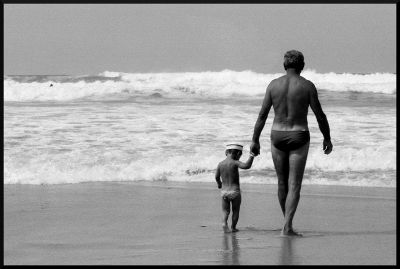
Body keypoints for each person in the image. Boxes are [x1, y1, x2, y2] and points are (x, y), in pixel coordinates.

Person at [250, 50, 333, 236]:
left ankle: (287, 223)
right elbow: (320, 115)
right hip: (299, 134)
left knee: (282, 183)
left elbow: (262, 115)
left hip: (277, 134)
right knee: (294, 184)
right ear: (302, 65)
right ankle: (287, 227)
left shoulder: (273, 85)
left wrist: (254, 139)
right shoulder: (307, 86)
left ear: (284, 65)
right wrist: (327, 138)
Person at [215, 143, 255, 232]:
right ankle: (233, 227)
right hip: (235, 192)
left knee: (225, 211)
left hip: (224, 192)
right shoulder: (235, 162)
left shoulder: (220, 164)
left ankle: (224, 223)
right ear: (238, 154)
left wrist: (219, 184)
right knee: (235, 211)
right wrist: (252, 156)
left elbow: (217, 177)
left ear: (226, 152)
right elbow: (246, 166)